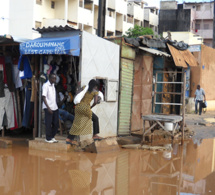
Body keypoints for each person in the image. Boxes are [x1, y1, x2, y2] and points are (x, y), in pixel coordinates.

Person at [66, 79, 102, 145]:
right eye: (96, 86)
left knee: (77, 123)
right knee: (95, 118)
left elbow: (77, 93)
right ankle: (95, 135)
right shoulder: (95, 91)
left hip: (78, 107)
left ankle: (69, 139)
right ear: (95, 86)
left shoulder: (84, 87)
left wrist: (78, 85)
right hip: (85, 108)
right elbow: (95, 102)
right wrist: (91, 107)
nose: (96, 87)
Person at [42, 73, 59, 143]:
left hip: (55, 107)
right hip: (48, 107)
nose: (55, 80)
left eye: (55, 78)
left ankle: (52, 136)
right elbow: (44, 97)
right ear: (50, 79)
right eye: (53, 78)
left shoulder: (53, 85)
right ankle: (48, 138)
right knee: (48, 123)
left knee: (56, 123)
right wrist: (48, 108)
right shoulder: (45, 85)